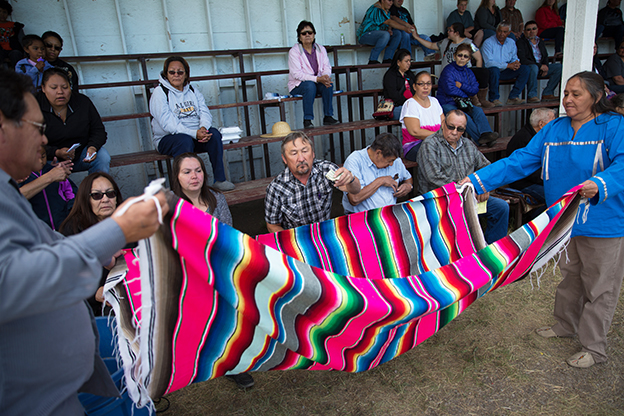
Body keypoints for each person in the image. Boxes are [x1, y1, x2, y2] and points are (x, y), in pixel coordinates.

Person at [0, 68, 168, 415]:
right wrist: (117, 230)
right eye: (39, 129)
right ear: (3, 127)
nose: (45, 140)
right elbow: (14, 280)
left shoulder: (8, 192)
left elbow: (52, 248)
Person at [463, 71, 624, 368]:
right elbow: (519, 161)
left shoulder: (613, 127)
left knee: (600, 285)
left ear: (597, 97)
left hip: (603, 221)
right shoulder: (554, 129)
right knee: (570, 276)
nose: (568, 99)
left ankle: (593, 347)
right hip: (564, 221)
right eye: (566, 93)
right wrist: (476, 181)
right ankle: (565, 325)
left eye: (577, 94)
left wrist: (600, 183)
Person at [417, 109, 509, 244]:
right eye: (451, 127)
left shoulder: (468, 144)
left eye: (460, 129)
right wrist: (470, 188)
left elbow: (486, 167)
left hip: (469, 197)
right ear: (443, 123)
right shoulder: (430, 145)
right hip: (442, 200)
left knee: (501, 208)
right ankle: (468, 253)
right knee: (462, 216)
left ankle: (492, 252)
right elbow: (434, 177)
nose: (454, 132)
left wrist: (483, 186)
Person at [150, 56, 234, 191]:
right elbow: (168, 123)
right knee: (184, 140)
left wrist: (203, 129)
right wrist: (194, 133)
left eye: (180, 72)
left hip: (195, 136)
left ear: (186, 74)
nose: (176, 75)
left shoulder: (193, 90)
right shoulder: (159, 93)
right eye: (172, 72)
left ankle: (219, 180)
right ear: (166, 74)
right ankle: (183, 187)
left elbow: (204, 112)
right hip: (168, 139)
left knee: (214, 135)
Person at [264, 131, 361, 232]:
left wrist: (351, 179)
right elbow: (273, 225)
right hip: (297, 239)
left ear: (313, 153)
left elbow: (355, 190)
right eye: (294, 153)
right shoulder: (276, 188)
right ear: (284, 158)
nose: (301, 158)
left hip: (324, 233)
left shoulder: (326, 169)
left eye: (305, 151)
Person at [59, 172, 124, 315]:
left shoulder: (129, 223)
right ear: (86, 200)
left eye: (110, 194)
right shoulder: (73, 230)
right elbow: (66, 278)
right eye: (97, 195)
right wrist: (94, 293)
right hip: (91, 309)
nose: (105, 199)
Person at [37, 67, 111, 174]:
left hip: (80, 155)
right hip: (51, 159)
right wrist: (56, 152)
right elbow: (30, 142)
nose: (60, 92)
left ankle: (97, 189)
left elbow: (98, 130)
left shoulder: (82, 102)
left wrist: (92, 147)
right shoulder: (36, 106)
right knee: (42, 162)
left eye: (65, 87)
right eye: (53, 88)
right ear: (43, 88)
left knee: (102, 156)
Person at [412, 23, 493, 107]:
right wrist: (417, 37)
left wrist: (473, 78)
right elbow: (431, 45)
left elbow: (479, 58)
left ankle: (480, 99)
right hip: (449, 76)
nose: (447, 32)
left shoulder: (469, 43)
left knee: (484, 72)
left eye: (450, 30)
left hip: (463, 75)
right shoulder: (445, 42)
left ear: (456, 33)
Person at [437, 44, 499, 146]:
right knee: (464, 117)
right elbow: (450, 89)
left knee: (478, 110)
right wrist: (466, 94)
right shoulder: (448, 70)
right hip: (447, 103)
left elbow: (475, 90)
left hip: (463, 103)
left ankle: (486, 134)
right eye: (460, 55)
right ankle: (480, 139)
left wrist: (461, 85)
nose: (462, 58)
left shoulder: (468, 72)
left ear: (469, 59)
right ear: (454, 56)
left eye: (465, 56)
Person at [342, 132, 413, 213]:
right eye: (389, 161)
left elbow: (408, 178)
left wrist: (408, 186)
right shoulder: (355, 161)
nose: (391, 164)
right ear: (378, 153)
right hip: (362, 216)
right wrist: (380, 181)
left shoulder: (396, 161)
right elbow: (354, 199)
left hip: (389, 213)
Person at [288, 21, 338, 130]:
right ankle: (307, 119)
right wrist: (317, 79)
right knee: (310, 86)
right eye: (304, 33)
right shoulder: (294, 51)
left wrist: (325, 77)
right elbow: (296, 74)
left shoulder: (321, 49)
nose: (307, 35)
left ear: (314, 35)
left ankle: (328, 116)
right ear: (299, 37)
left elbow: (327, 67)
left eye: (310, 32)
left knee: (328, 84)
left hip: (317, 82)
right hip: (298, 85)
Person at [505, 107, 556, 204]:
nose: (555, 125)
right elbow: (528, 170)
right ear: (541, 124)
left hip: (536, 180)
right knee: (554, 197)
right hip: (523, 182)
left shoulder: (537, 136)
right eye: (553, 120)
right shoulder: (524, 139)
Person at [19, 145, 75, 230]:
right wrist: (49, 177)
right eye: (35, 158)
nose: (40, 161)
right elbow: (13, 196)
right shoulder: (21, 177)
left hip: (62, 224)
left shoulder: (55, 170)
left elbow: (71, 192)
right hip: (38, 229)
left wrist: (70, 212)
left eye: (43, 156)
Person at [171, 153, 232, 226]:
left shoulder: (217, 197)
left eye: (198, 171)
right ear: (177, 176)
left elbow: (227, 234)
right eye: (187, 172)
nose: (194, 176)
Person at [482, 22, 531, 105]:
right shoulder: (488, 42)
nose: (501, 34)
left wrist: (516, 63)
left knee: (525, 69)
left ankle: (513, 97)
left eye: (505, 32)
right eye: (500, 31)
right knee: (494, 70)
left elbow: (514, 57)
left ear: (509, 33)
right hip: (492, 72)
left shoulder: (511, 42)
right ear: (496, 31)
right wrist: (508, 65)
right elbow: (488, 63)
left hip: (506, 70)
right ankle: (493, 99)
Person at [399, 71, 444, 161]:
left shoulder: (435, 101)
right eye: (421, 84)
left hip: (437, 142)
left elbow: (443, 123)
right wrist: (440, 137)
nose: (425, 87)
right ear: (415, 87)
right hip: (415, 145)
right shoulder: (410, 104)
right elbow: (415, 132)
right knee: (440, 155)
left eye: (428, 84)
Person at [516, 20, 562, 101]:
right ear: (524, 32)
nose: (531, 31)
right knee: (534, 67)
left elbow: (545, 56)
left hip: (540, 68)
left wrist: (546, 66)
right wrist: (540, 66)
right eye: (528, 29)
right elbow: (522, 59)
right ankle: (532, 95)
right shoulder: (521, 42)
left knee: (559, 67)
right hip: (531, 69)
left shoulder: (540, 41)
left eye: (534, 29)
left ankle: (547, 93)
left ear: (537, 30)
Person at [357, 0, 406, 64]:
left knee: (397, 33)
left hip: (379, 35)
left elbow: (386, 24)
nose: (391, 3)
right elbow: (389, 22)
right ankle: (373, 59)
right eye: (389, 0)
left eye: (392, 1)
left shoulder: (386, 10)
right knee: (385, 35)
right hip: (365, 35)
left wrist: (389, 29)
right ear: (382, 0)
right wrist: (405, 28)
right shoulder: (376, 9)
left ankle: (388, 58)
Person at [382, 49, 417, 120]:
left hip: (411, 106)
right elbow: (394, 96)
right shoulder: (390, 75)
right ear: (398, 62)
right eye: (406, 61)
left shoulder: (409, 74)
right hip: (395, 108)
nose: (409, 63)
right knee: (414, 113)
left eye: (410, 61)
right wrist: (408, 103)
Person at [0, 0, 24, 68]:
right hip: (1, 50)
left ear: (8, 13)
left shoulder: (15, 26)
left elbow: (22, 40)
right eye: (0, 11)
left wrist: (26, 53)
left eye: (4, 12)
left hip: (13, 49)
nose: (2, 14)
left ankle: (18, 75)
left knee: (16, 54)